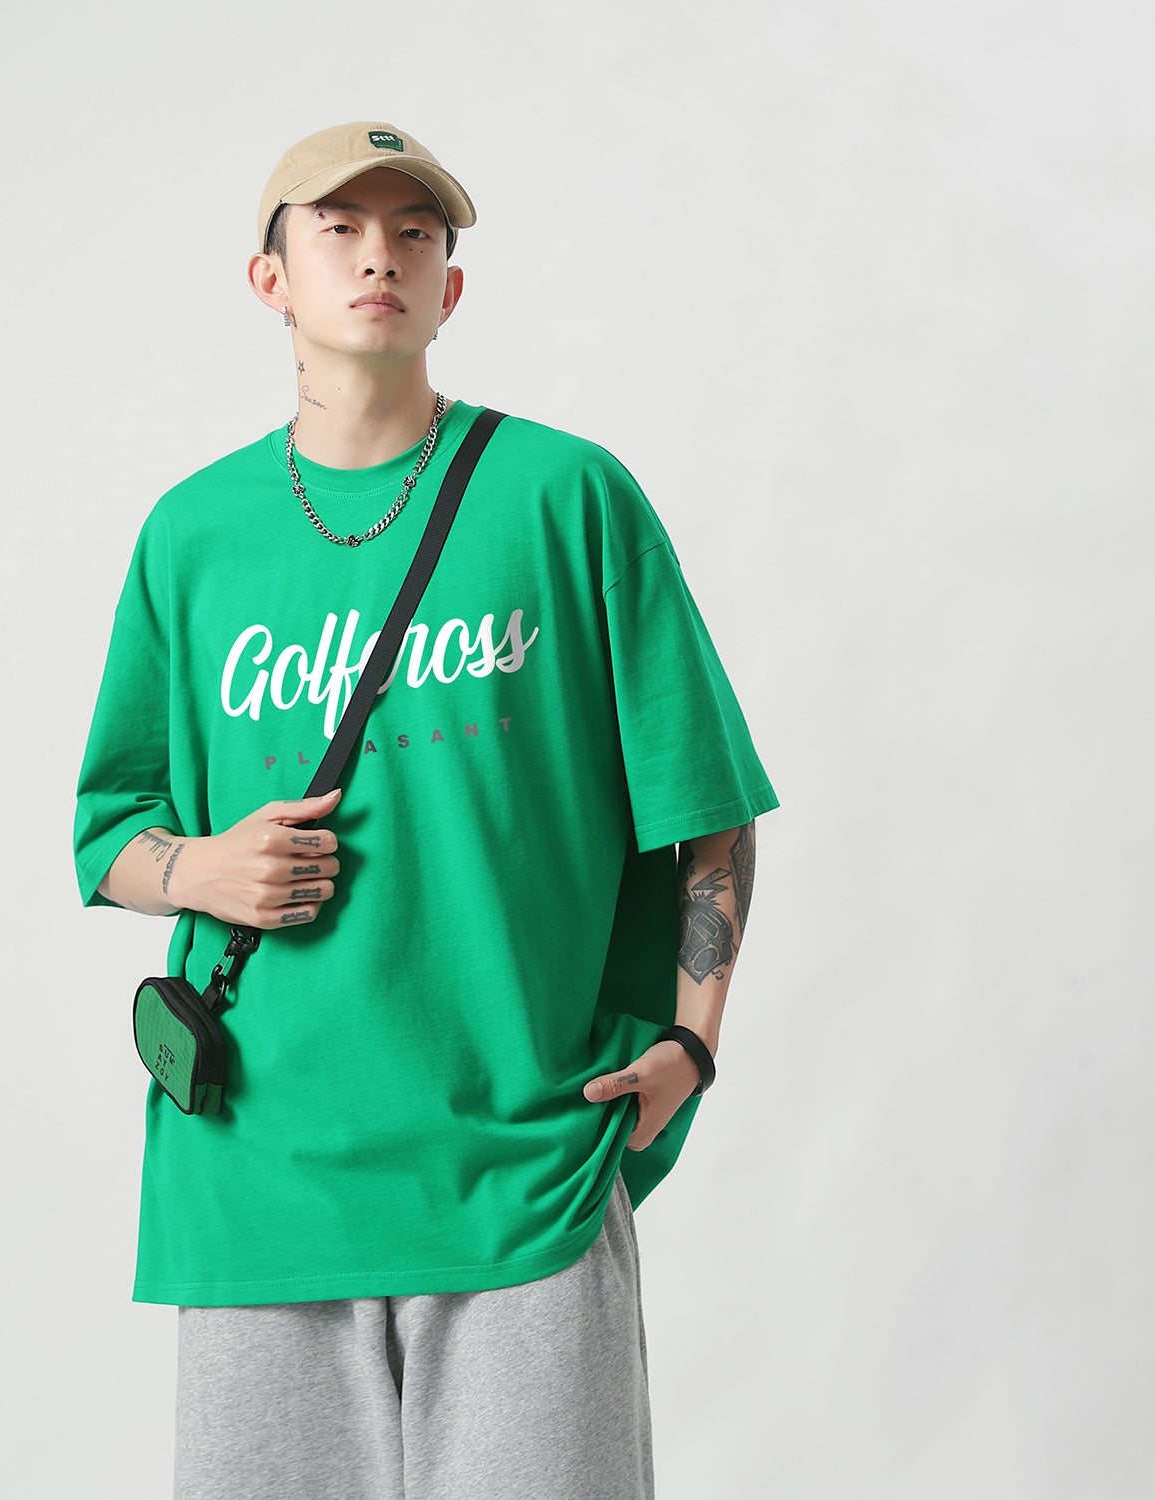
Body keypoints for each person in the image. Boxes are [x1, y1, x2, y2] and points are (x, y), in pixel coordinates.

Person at [73, 120, 778, 1500]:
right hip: (261, 1178)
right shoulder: (192, 535)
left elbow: (706, 801)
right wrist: (198, 868)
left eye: (413, 233)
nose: (377, 256)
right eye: (336, 229)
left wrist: (694, 1043)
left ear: (451, 287)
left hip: (522, 1172)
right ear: (270, 278)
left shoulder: (567, 497)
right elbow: (110, 834)